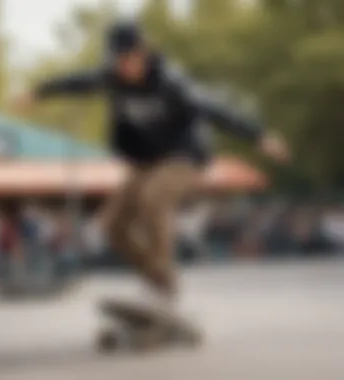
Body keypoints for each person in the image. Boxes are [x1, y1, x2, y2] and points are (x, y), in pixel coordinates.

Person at [16, 21, 289, 315]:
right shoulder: (112, 78)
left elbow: (214, 109)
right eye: (119, 61)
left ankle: (165, 286)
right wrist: (38, 92)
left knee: (154, 197)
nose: (126, 67)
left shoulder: (171, 83)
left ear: (143, 54)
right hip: (146, 162)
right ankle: (156, 280)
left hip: (184, 158)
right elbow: (77, 83)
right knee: (112, 226)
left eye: (131, 59)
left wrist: (258, 136)